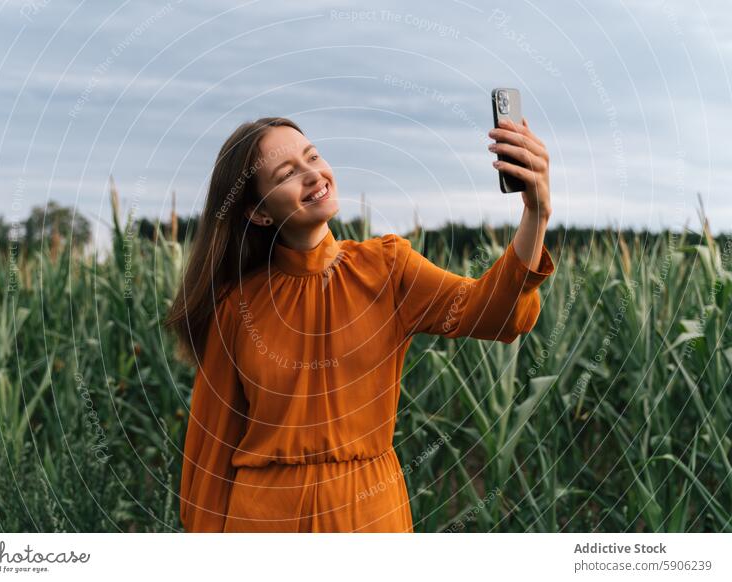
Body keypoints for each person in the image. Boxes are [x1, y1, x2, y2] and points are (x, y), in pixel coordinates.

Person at [164, 116, 555, 532]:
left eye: (312, 156)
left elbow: (493, 312)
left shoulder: (387, 268)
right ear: (258, 212)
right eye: (288, 172)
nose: (313, 173)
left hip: (369, 513)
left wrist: (536, 212)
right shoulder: (235, 306)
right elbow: (210, 455)